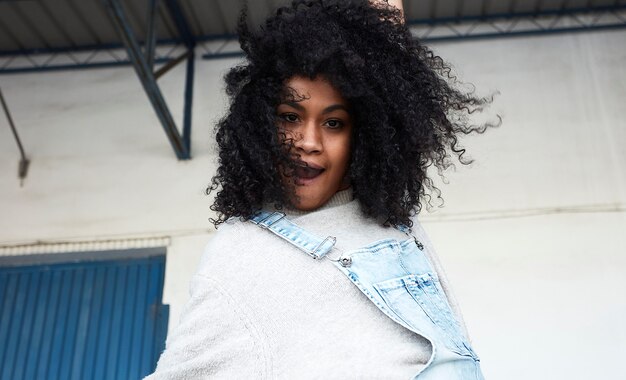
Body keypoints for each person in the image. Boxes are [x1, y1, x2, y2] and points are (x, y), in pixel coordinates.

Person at [147, 0, 498, 378]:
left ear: (366, 135)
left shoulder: (394, 223)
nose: (309, 141)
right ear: (260, 124)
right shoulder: (242, 251)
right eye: (290, 117)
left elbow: (387, 50)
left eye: (334, 123)